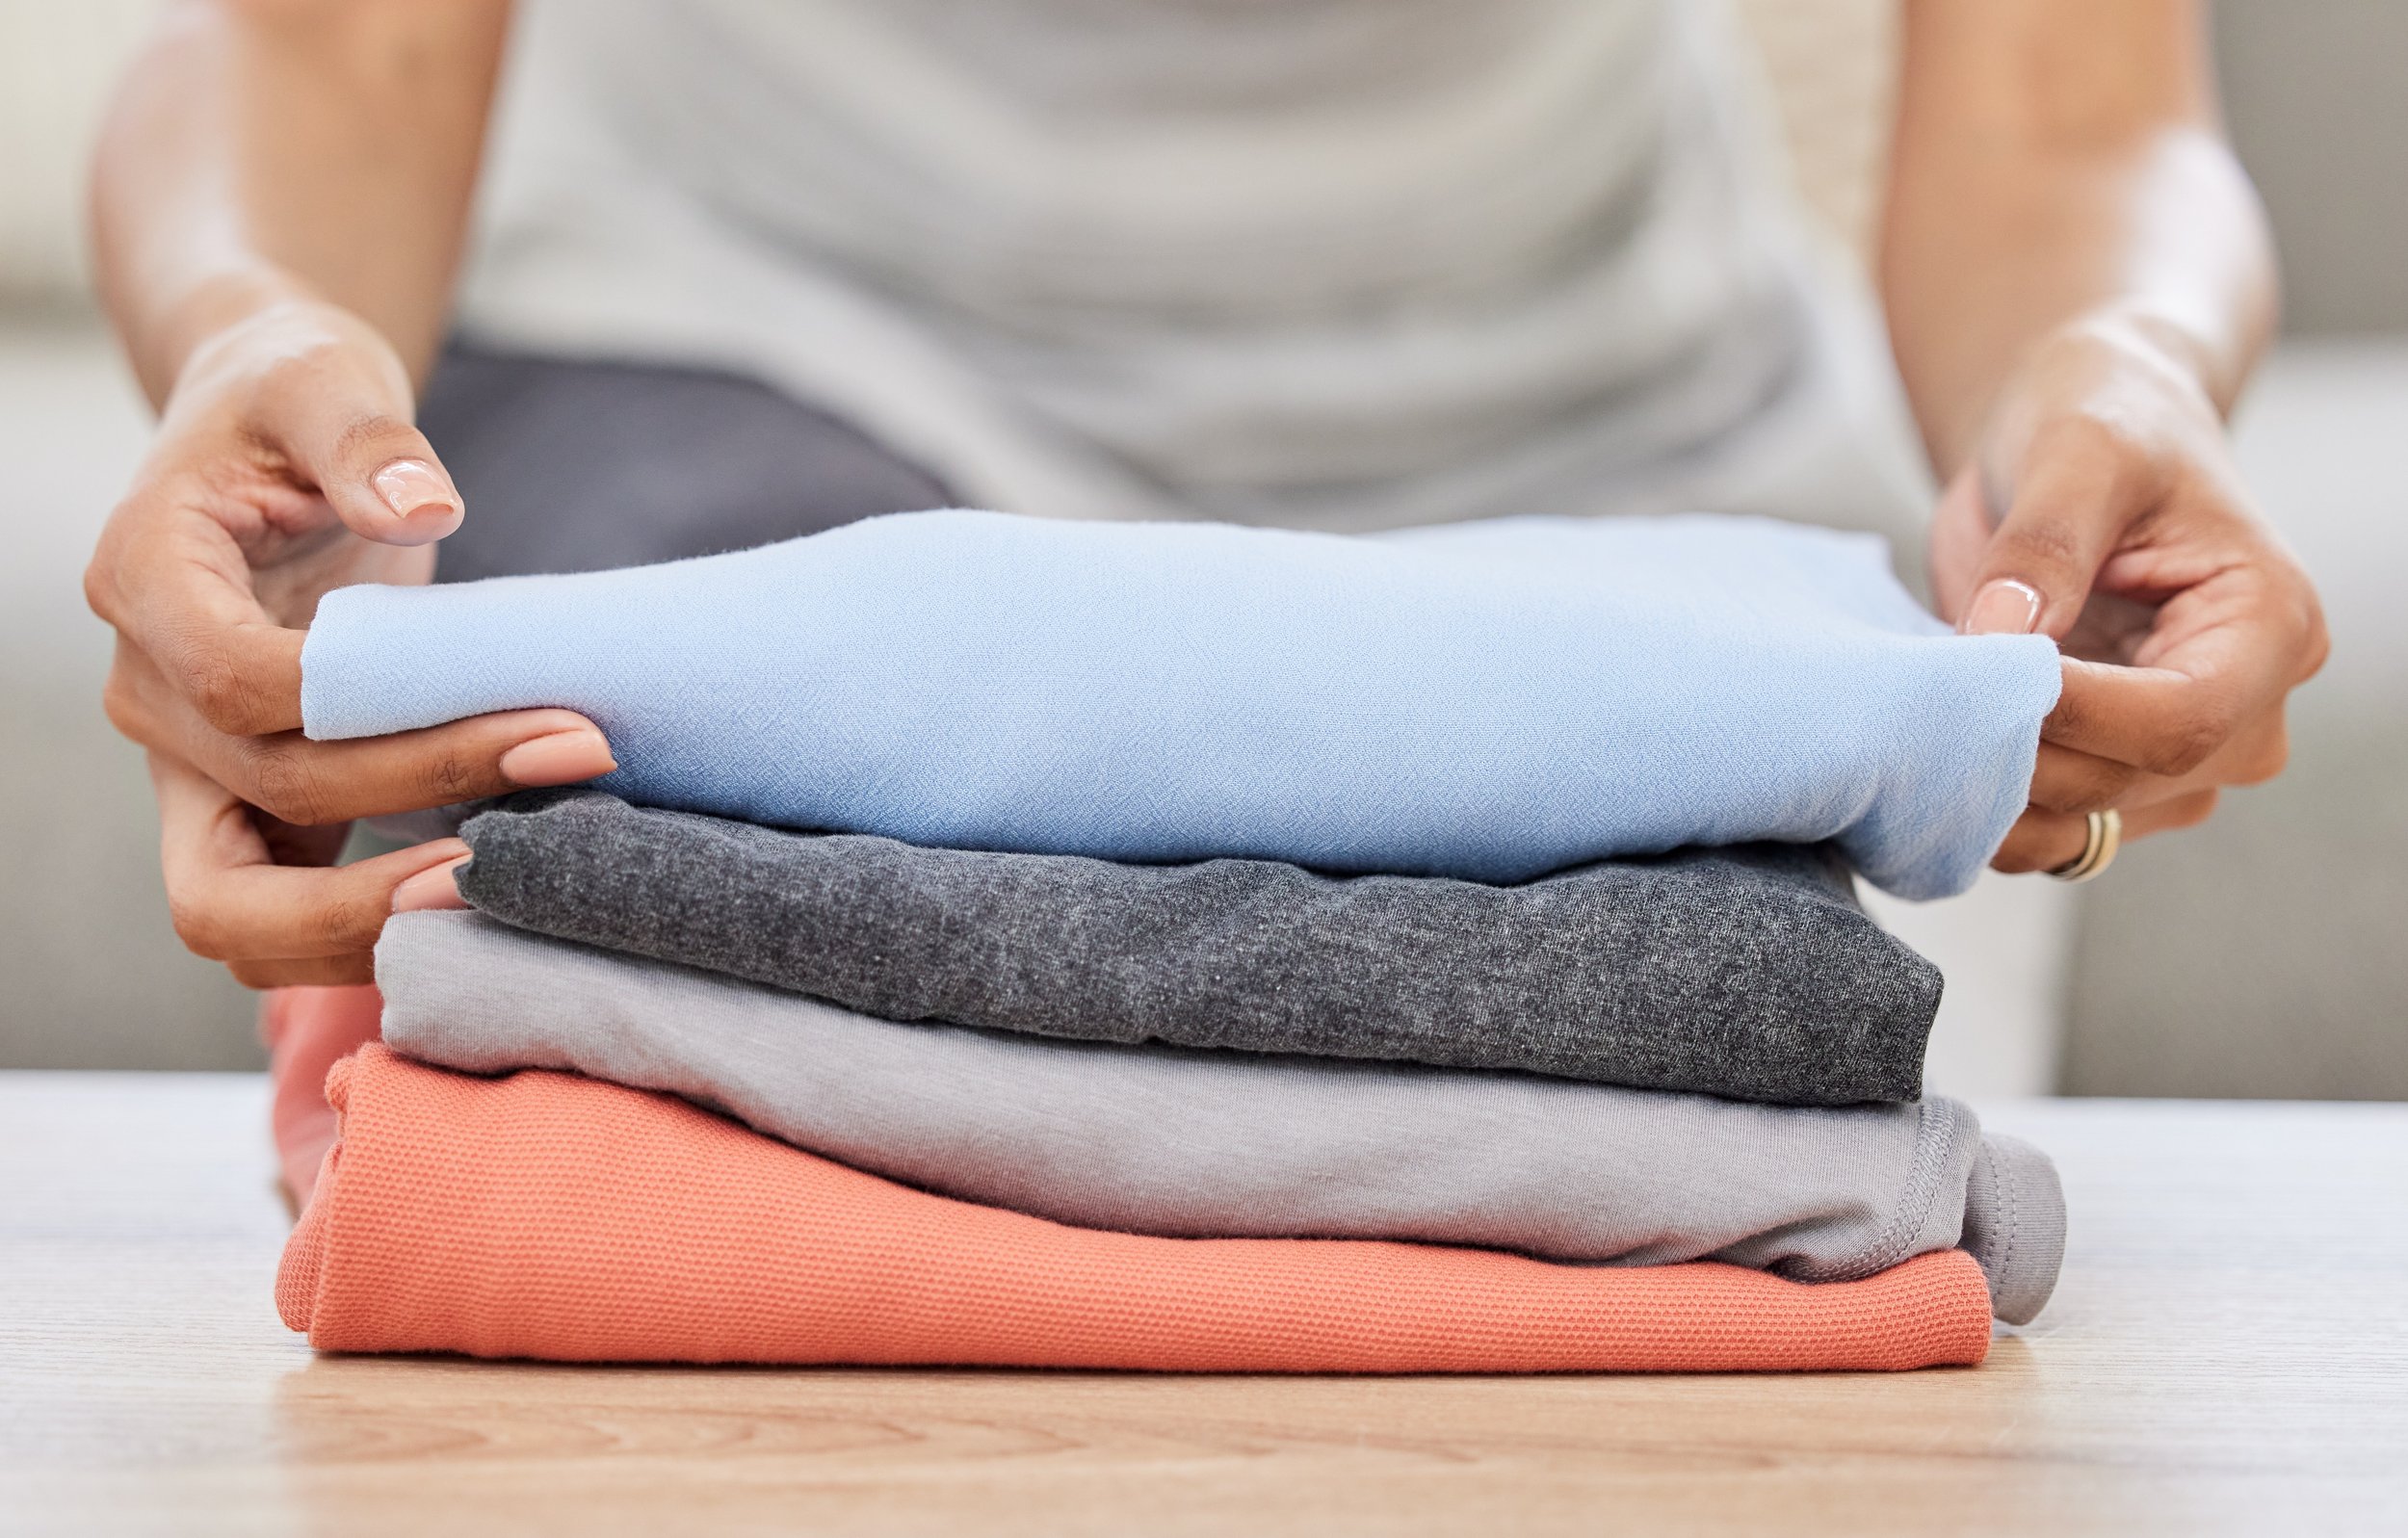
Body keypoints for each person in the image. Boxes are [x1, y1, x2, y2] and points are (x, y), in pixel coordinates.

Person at [85, 0, 2324, 989]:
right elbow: (323, 37)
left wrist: (2108, 373)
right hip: (747, 365)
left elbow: (2063, 109)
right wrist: (255, 335)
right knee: (631, 899)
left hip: (1613, 443)